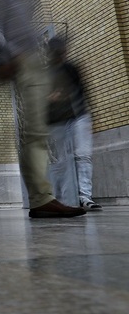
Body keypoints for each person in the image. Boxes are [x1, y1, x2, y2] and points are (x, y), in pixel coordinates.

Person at [0, 0, 85, 218]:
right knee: (35, 134)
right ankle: (41, 199)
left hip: (35, 63)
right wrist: (2, 61)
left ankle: (42, 198)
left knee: (38, 133)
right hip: (25, 63)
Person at [47, 36, 102, 211]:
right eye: (58, 52)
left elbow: (84, 90)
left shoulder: (71, 68)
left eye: (63, 51)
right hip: (56, 122)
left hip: (79, 117)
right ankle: (61, 199)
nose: (62, 55)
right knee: (61, 160)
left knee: (83, 155)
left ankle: (85, 196)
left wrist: (93, 115)